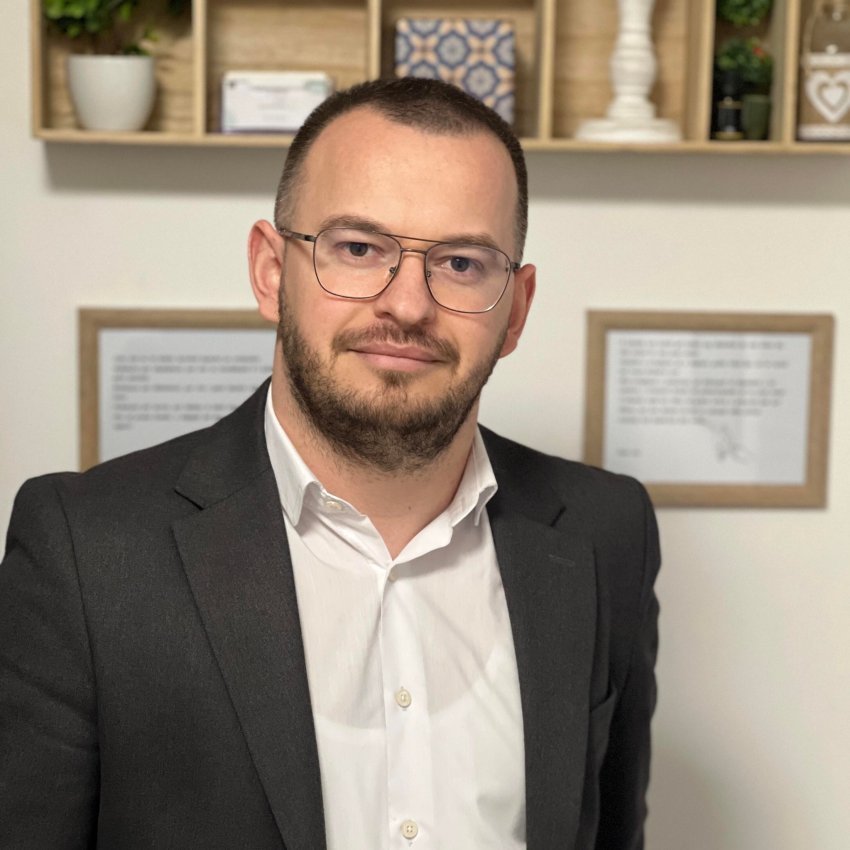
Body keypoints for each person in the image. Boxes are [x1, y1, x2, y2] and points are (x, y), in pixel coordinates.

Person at [0, 78, 660, 850]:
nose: (407, 305)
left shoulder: (604, 533)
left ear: (515, 309)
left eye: (461, 262)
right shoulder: (86, 549)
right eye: (357, 249)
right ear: (270, 271)